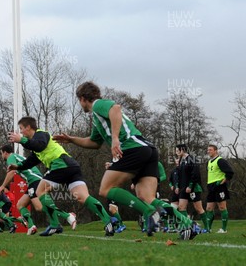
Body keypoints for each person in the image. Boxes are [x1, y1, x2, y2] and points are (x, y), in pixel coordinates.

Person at [53, 81, 198, 240]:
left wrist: (115, 138)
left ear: (82, 98)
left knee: (105, 189)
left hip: (131, 148)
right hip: (147, 150)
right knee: (147, 197)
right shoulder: (98, 118)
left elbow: (116, 108)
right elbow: (94, 143)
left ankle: (149, 213)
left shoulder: (97, 104)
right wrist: (71, 139)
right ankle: (187, 224)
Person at [8, 117, 114, 237]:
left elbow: (39, 146)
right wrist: (17, 167)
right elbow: (30, 161)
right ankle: (108, 221)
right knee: (82, 197)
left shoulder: (41, 134)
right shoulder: (35, 145)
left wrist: (21, 140)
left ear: (28, 127)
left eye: (21, 129)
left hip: (61, 165)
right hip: (71, 166)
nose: (21, 132)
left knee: (40, 191)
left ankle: (55, 225)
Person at [0, 144, 76, 236]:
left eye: (1, 153)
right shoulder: (16, 156)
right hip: (33, 181)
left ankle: (67, 216)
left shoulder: (11, 157)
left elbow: (12, 171)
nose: (2, 156)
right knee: (20, 204)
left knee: (39, 207)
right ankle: (31, 226)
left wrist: (2, 186)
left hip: (35, 180)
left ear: (5, 153)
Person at [175, 144, 208, 233]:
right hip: (183, 188)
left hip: (193, 188)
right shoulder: (180, 161)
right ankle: (186, 226)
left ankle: (207, 228)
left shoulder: (192, 159)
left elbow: (195, 174)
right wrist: (177, 186)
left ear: (182, 150)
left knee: (198, 208)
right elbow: (179, 175)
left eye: (177, 150)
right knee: (181, 207)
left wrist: (190, 186)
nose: (176, 152)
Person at [204, 144, 234, 233]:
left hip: (219, 187)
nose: (208, 151)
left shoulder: (220, 161)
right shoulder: (209, 162)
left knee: (222, 207)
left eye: (210, 150)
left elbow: (230, 172)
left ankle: (224, 229)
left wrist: (223, 181)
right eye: (208, 150)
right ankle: (208, 228)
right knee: (209, 208)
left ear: (215, 151)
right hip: (211, 186)